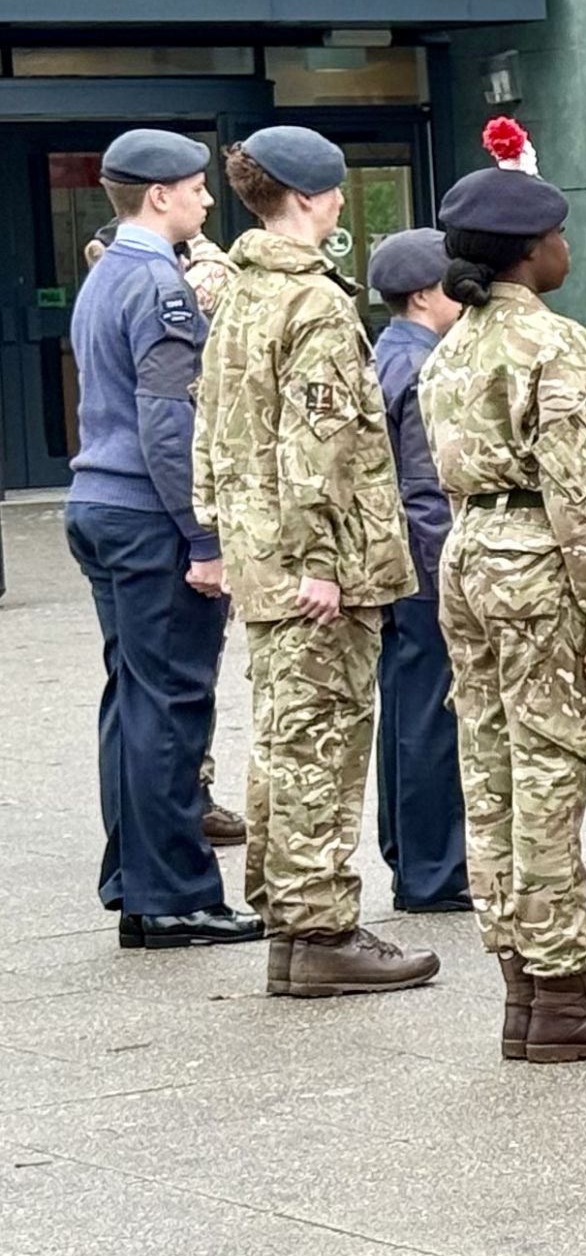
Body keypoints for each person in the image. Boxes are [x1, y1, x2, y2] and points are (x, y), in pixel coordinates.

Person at [423, 120, 586, 1064]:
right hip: (539, 561)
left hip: (470, 552)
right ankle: (566, 988)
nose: (572, 249)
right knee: (550, 777)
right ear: (533, 250)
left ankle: (521, 989)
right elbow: (580, 491)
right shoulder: (555, 346)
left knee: (489, 775)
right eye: (562, 235)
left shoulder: (452, 345)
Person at [193, 125, 433, 999]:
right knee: (323, 741)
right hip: (317, 567)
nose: (338, 204)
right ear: (307, 197)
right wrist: (323, 559)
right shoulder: (314, 304)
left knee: (285, 739)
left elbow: (212, 427)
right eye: (332, 192)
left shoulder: (238, 292)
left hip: (265, 558)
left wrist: (219, 533)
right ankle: (321, 925)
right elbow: (319, 447)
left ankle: (295, 922)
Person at [63, 130, 258, 948]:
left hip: (100, 504)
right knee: (171, 707)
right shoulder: (159, 284)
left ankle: (136, 879)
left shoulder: (107, 272)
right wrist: (204, 535)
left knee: (132, 700)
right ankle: (176, 893)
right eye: (195, 188)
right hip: (148, 514)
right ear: (158, 197)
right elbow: (169, 422)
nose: (207, 201)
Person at [367, 228, 471, 914]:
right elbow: (426, 491)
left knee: (405, 710)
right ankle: (433, 868)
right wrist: (445, 584)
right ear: (427, 293)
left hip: (391, 564)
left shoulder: (386, 353)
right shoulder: (427, 366)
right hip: (422, 564)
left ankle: (410, 853)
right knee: (433, 716)